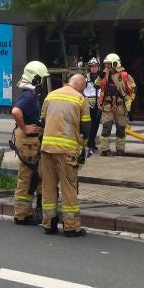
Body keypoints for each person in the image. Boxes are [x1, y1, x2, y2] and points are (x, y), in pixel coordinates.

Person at [39, 73, 88, 237]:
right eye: (84, 86)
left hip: (46, 151)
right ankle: (71, 227)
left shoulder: (50, 95)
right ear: (80, 85)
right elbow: (86, 128)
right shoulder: (80, 99)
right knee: (69, 190)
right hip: (67, 153)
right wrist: (83, 148)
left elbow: (43, 121)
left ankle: (49, 225)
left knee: (48, 188)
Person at [11, 60, 48, 226]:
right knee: (27, 177)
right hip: (28, 143)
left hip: (30, 143)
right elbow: (16, 111)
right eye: (42, 79)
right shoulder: (28, 96)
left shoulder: (29, 94)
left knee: (32, 176)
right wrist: (25, 128)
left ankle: (25, 212)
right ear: (36, 79)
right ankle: (21, 215)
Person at [97, 53, 136, 155]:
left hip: (120, 106)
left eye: (108, 64)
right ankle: (104, 150)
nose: (106, 66)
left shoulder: (124, 76)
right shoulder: (104, 75)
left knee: (121, 129)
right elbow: (96, 85)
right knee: (106, 128)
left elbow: (133, 89)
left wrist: (130, 108)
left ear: (115, 64)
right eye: (106, 64)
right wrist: (100, 77)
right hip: (107, 106)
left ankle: (120, 150)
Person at [83, 57, 102, 153]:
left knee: (96, 125)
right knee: (89, 125)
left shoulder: (102, 77)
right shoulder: (86, 77)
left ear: (98, 67)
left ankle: (92, 143)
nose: (94, 68)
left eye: (95, 66)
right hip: (88, 104)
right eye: (92, 66)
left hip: (99, 104)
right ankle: (89, 143)